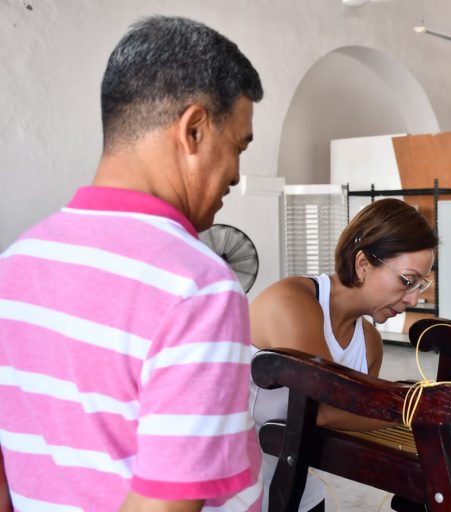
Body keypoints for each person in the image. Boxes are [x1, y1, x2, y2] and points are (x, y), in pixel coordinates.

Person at [0, 16, 263, 511]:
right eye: (238, 147)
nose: (236, 174)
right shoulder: (198, 288)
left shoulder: (14, 264)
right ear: (195, 129)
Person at [249, 198, 438, 512]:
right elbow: (322, 406)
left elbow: (354, 419)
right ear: (363, 265)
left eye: (421, 285)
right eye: (407, 281)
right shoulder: (291, 302)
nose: (414, 299)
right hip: (234, 495)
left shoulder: (370, 343)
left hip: (300, 494)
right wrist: (420, 405)